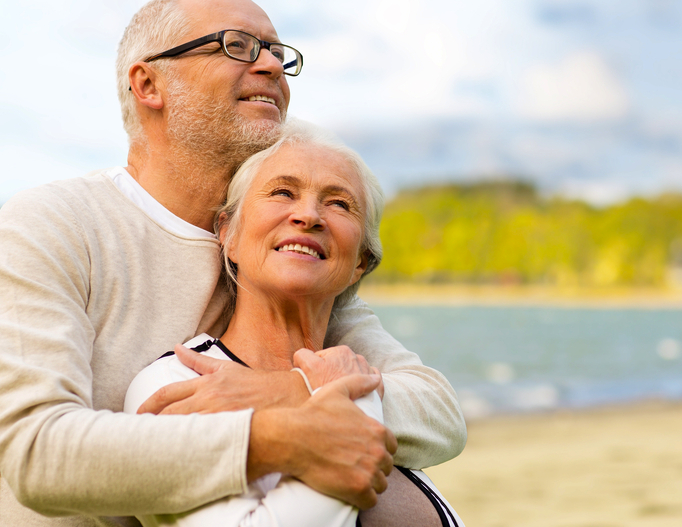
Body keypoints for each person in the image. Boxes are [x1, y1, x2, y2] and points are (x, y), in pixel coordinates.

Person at [0, 0, 465, 527]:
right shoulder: (52, 226)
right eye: (236, 45)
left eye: (276, 52)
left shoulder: (278, 256)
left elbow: (437, 411)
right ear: (148, 83)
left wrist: (286, 391)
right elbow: (36, 454)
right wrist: (275, 437)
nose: (270, 64)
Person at [124, 121, 463, 527]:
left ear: (360, 263)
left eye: (339, 203)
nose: (308, 215)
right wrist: (346, 399)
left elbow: (445, 421)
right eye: (283, 192)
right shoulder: (178, 380)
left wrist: (312, 390)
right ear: (228, 233)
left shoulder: (357, 372)